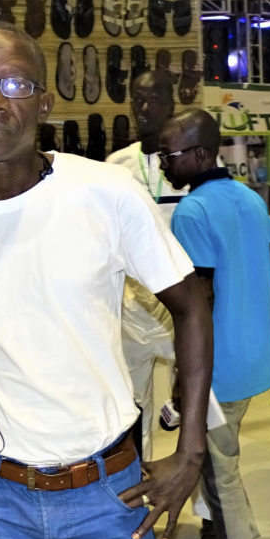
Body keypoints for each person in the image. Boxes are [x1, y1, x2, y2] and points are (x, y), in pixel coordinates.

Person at [0, 22, 213, 539]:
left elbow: (191, 305)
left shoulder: (107, 193)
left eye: (16, 84)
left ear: (44, 105)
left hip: (108, 492)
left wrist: (191, 452)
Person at [158, 109, 270, 539]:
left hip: (217, 367)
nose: (164, 165)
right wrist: (257, 327)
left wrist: (186, 376)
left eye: (169, 155)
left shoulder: (192, 211)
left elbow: (200, 300)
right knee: (222, 459)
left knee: (218, 472)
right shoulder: (249, 198)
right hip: (254, 356)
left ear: (199, 154)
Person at [105, 70, 186, 461]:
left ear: (171, 104)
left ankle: (203, 492)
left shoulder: (191, 161)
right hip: (133, 304)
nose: (144, 107)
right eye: (138, 98)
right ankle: (136, 480)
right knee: (132, 405)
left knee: (198, 400)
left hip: (182, 300)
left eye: (154, 99)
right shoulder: (116, 166)